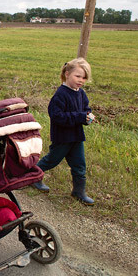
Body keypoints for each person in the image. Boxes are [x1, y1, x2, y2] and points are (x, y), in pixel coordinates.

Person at [31, 58, 96, 205]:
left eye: (84, 77)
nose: (81, 80)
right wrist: (80, 116)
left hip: (77, 137)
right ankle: (33, 177)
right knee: (51, 160)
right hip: (62, 137)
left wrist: (87, 117)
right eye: (77, 76)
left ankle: (79, 192)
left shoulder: (81, 93)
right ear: (67, 74)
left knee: (79, 165)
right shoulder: (61, 94)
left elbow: (85, 109)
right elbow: (57, 116)